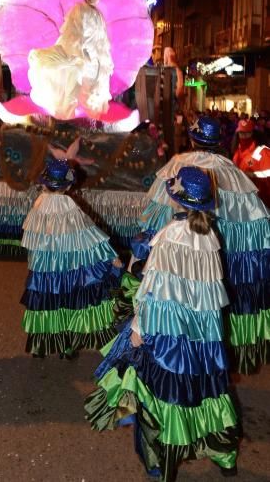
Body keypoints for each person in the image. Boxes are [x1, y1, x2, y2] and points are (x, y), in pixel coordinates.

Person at [85, 166, 239, 481]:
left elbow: (153, 288)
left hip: (170, 329)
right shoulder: (208, 234)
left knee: (163, 393)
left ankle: (162, 463)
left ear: (179, 201)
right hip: (203, 330)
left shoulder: (170, 236)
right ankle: (224, 455)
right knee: (206, 388)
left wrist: (140, 328)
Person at [139, 115, 270, 374]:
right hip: (221, 263)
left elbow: (153, 216)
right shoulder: (233, 172)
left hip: (177, 260)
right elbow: (259, 227)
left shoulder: (176, 167)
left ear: (191, 139)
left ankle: (178, 363)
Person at [21, 139, 122, 359]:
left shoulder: (38, 204)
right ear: (68, 186)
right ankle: (67, 346)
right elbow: (88, 235)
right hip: (67, 268)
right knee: (67, 302)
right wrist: (110, 255)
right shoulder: (68, 206)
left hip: (43, 271)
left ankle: (41, 344)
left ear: (45, 184)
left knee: (46, 304)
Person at [27, 0, 114, 119]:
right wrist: (81, 52)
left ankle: (91, 121)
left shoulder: (100, 16)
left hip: (95, 59)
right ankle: (66, 118)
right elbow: (75, 31)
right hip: (78, 55)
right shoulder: (79, 9)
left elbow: (102, 39)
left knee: (93, 90)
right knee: (74, 84)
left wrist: (101, 59)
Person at [233, 119, 270, 208]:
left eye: (247, 133)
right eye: (241, 133)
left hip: (259, 199)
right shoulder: (237, 149)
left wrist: (252, 175)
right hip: (243, 196)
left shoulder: (262, 151)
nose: (243, 136)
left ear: (252, 133)